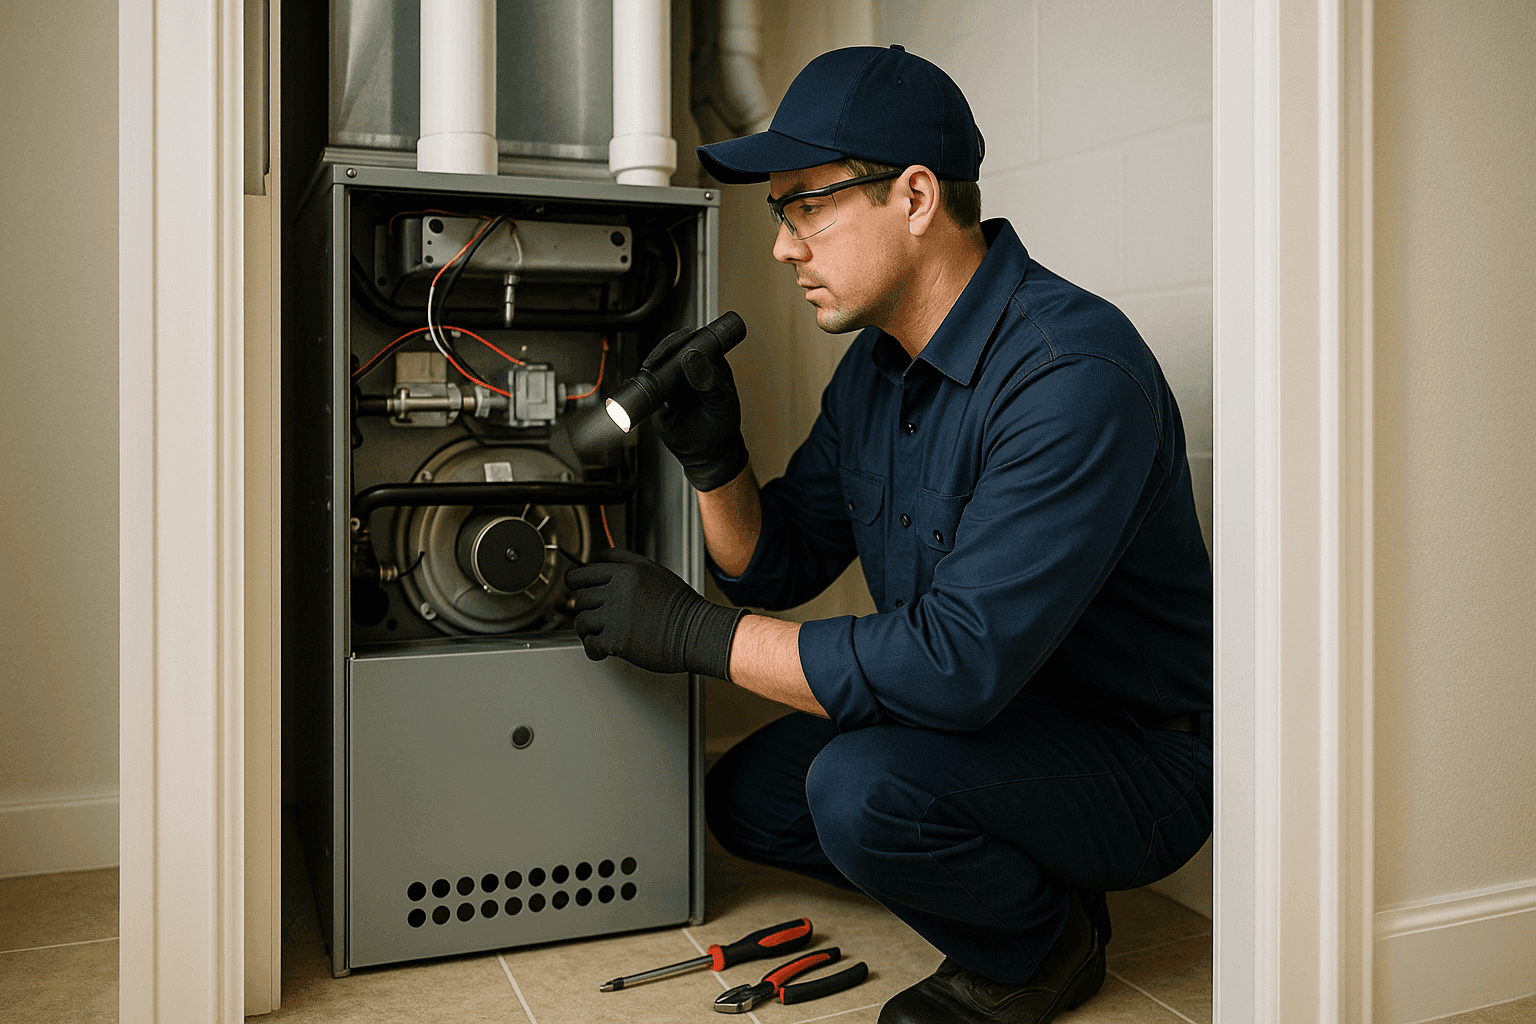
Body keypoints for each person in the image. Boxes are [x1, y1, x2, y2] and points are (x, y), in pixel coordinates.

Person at [564, 44, 1212, 1024]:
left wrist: (689, 633)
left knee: (859, 789)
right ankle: (1018, 865)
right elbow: (775, 566)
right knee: (748, 797)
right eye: (780, 214)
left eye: (806, 207)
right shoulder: (875, 371)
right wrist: (715, 461)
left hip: (1130, 760)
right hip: (977, 725)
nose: (784, 247)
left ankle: (1041, 946)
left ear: (914, 197)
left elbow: (954, 664)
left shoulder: (1071, 375)